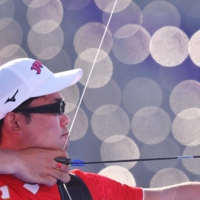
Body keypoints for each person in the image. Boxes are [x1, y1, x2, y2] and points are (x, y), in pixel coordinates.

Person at [0, 58, 199, 200]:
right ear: (14, 123)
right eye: (56, 108)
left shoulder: (79, 189)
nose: (66, 118)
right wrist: (17, 162)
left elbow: (170, 196)